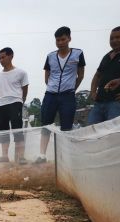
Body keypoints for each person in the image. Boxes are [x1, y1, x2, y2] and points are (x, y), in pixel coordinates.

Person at [35, 26, 85, 164]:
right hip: (50, 94)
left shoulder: (78, 54)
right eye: (57, 40)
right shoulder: (50, 56)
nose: (60, 42)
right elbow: (47, 76)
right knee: (46, 124)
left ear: (69, 38)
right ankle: (42, 155)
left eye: (63, 39)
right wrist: (52, 87)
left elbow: (80, 74)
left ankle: (65, 157)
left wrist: (72, 88)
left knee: (66, 126)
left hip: (68, 95)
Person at [88, 26, 120, 124]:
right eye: (111, 38)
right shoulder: (106, 56)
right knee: (91, 131)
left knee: (112, 134)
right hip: (99, 103)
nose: (114, 40)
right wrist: (93, 92)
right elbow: (97, 75)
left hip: (117, 103)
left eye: (118, 37)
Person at [0, 47, 29, 164]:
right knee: (2, 131)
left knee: (17, 129)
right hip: (1, 105)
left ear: (11, 56)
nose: (1, 60)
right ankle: (4, 156)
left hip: (15, 102)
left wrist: (20, 100)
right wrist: (4, 99)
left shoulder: (21, 73)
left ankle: (21, 157)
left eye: (3, 57)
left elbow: (25, 89)